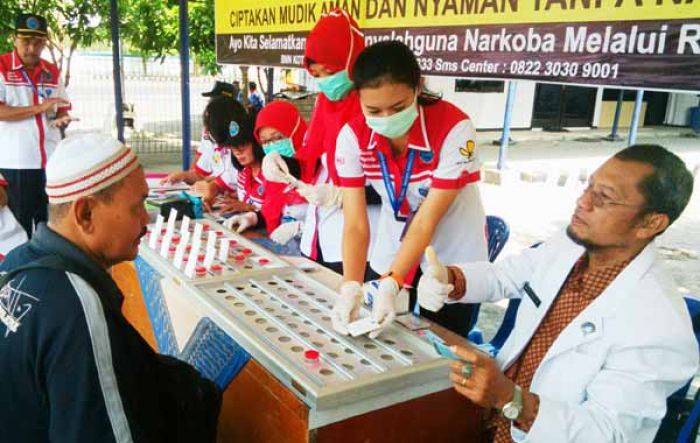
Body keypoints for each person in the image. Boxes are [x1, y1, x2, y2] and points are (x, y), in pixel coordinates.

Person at [417, 145, 698, 442]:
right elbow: (506, 275)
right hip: (491, 421)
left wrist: (511, 400)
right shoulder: (571, 245)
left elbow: (608, 433)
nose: (582, 202)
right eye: (588, 186)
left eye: (603, 198)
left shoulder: (661, 328)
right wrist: (450, 278)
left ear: (651, 223)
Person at [0, 133, 221, 442]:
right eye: (137, 207)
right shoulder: (76, 308)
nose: (146, 220)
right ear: (85, 214)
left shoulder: (16, 261)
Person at [332, 40, 487, 338]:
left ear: (419, 87)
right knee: (379, 330)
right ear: (358, 100)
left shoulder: (454, 128)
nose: (388, 118)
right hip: (395, 242)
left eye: (399, 107)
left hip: (452, 250)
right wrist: (350, 285)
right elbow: (354, 223)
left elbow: (427, 220)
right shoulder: (352, 136)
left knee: (442, 341)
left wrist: (393, 281)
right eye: (374, 110)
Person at [0, 13, 72, 238]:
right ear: (15, 39)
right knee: (17, 230)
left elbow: (61, 106)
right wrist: (39, 109)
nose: (32, 48)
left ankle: (48, 271)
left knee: (50, 226)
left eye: (38, 42)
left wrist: (61, 117)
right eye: (26, 41)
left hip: (50, 162)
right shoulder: (2, 67)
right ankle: (17, 273)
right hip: (15, 164)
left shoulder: (52, 70)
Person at [254, 100, 309, 244]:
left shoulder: (319, 166)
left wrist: (301, 228)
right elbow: (271, 211)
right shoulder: (273, 173)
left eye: (278, 137)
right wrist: (252, 218)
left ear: (296, 131)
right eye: (265, 142)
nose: (272, 146)